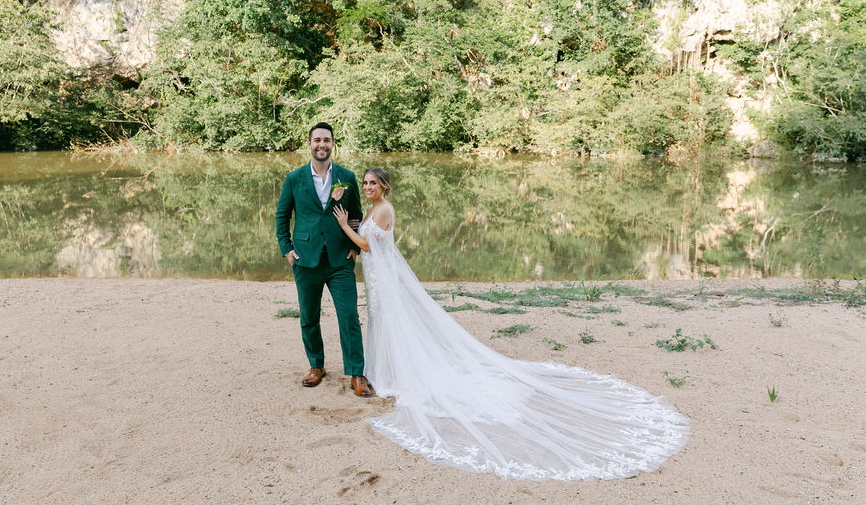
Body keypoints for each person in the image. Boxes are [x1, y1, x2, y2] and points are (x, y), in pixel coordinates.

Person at [332, 168, 690, 480]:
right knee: (380, 322)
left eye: (372, 183)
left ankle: (396, 376)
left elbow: (367, 244)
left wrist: (342, 226)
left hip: (383, 279)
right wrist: (351, 226)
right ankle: (383, 372)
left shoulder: (386, 209)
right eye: (364, 183)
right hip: (378, 280)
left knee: (394, 324)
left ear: (384, 187)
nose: (367, 188)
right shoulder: (374, 208)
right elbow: (368, 244)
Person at [275, 123, 373, 397]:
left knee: (349, 316)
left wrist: (355, 245)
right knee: (309, 316)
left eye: (326, 140)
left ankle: (357, 373)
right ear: (309, 144)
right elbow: (282, 216)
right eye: (317, 140)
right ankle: (316, 366)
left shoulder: (347, 176)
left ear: (332, 144)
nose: (322, 145)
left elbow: (356, 213)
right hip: (305, 259)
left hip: (340, 260)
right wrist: (287, 250)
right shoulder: (294, 178)